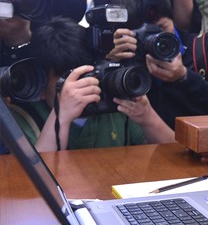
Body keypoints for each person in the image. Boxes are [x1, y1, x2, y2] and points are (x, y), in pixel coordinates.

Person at [7, 17, 173, 152]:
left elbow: (175, 157)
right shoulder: (22, 117)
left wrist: (148, 118)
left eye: (86, 74)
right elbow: (30, 177)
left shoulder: (116, 103)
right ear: (40, 85)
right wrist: (61, 115)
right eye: (68, 79)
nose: (80, 86)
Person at [107, 0, 208, 128]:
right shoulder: (121, 56)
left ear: (171, 19)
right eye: (141, 34)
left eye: (160, 29)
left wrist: (184, 78)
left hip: (201, 141)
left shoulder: (204, 48)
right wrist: (109, 61)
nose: (152, 39)